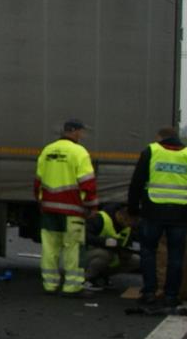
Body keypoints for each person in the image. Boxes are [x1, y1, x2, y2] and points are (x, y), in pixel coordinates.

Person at [127, 125, 187, 308]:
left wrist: (133, 209)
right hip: (179, 214)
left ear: (159, 137)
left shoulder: (151, 151)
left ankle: (149, 292)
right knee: (176, 255)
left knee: (148, 252)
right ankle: (171, 295)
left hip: (153, 211)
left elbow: (137, 182)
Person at [34, 118, 98, 295]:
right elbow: (87, 184)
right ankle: (72, 286)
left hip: (49, 210)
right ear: (75, 131)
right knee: (73, 249)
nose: (83, 135)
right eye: (82, 131)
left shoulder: (47, 150)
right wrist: (92, 207)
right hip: (72, 211)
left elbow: (38, 181)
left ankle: (50, 284)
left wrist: (41, 202)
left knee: (49, 249)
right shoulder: (79, 152)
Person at [82, 203, 136, 293]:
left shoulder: (127, 227)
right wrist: (104, 242)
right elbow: (85, 236)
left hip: (110, 253)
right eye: (128, 221)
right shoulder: (100, 218)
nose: (130, 224)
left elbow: (125, 244)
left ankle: (101, 277)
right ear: (121, 216)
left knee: (135, 260)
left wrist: (124, 252)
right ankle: (84, 279)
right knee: (105, 255)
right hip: (86, 253)